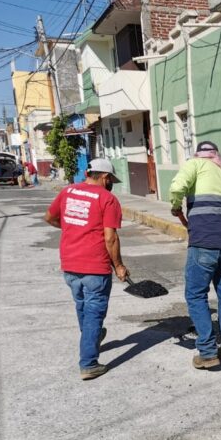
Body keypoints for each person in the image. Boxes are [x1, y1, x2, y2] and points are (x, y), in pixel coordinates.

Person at [44, 158, 128, 380]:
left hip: (70, 265)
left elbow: (49, 217)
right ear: (105, 177)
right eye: (111, 180)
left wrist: (73, 229)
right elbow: (110, 238)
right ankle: (89, 362)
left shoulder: (68, 191)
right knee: (93, 312)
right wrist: (118, 266)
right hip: (95, 267)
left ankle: (92, 337)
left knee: (82, 306)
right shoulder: (107, 198)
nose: (111, 184)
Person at [170, 141, 221, 370]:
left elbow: (176, 188)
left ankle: (207, 352)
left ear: (199, 155)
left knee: (196, 295)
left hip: (204, 243)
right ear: (217, 154)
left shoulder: (195, 165)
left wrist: (175, 206)